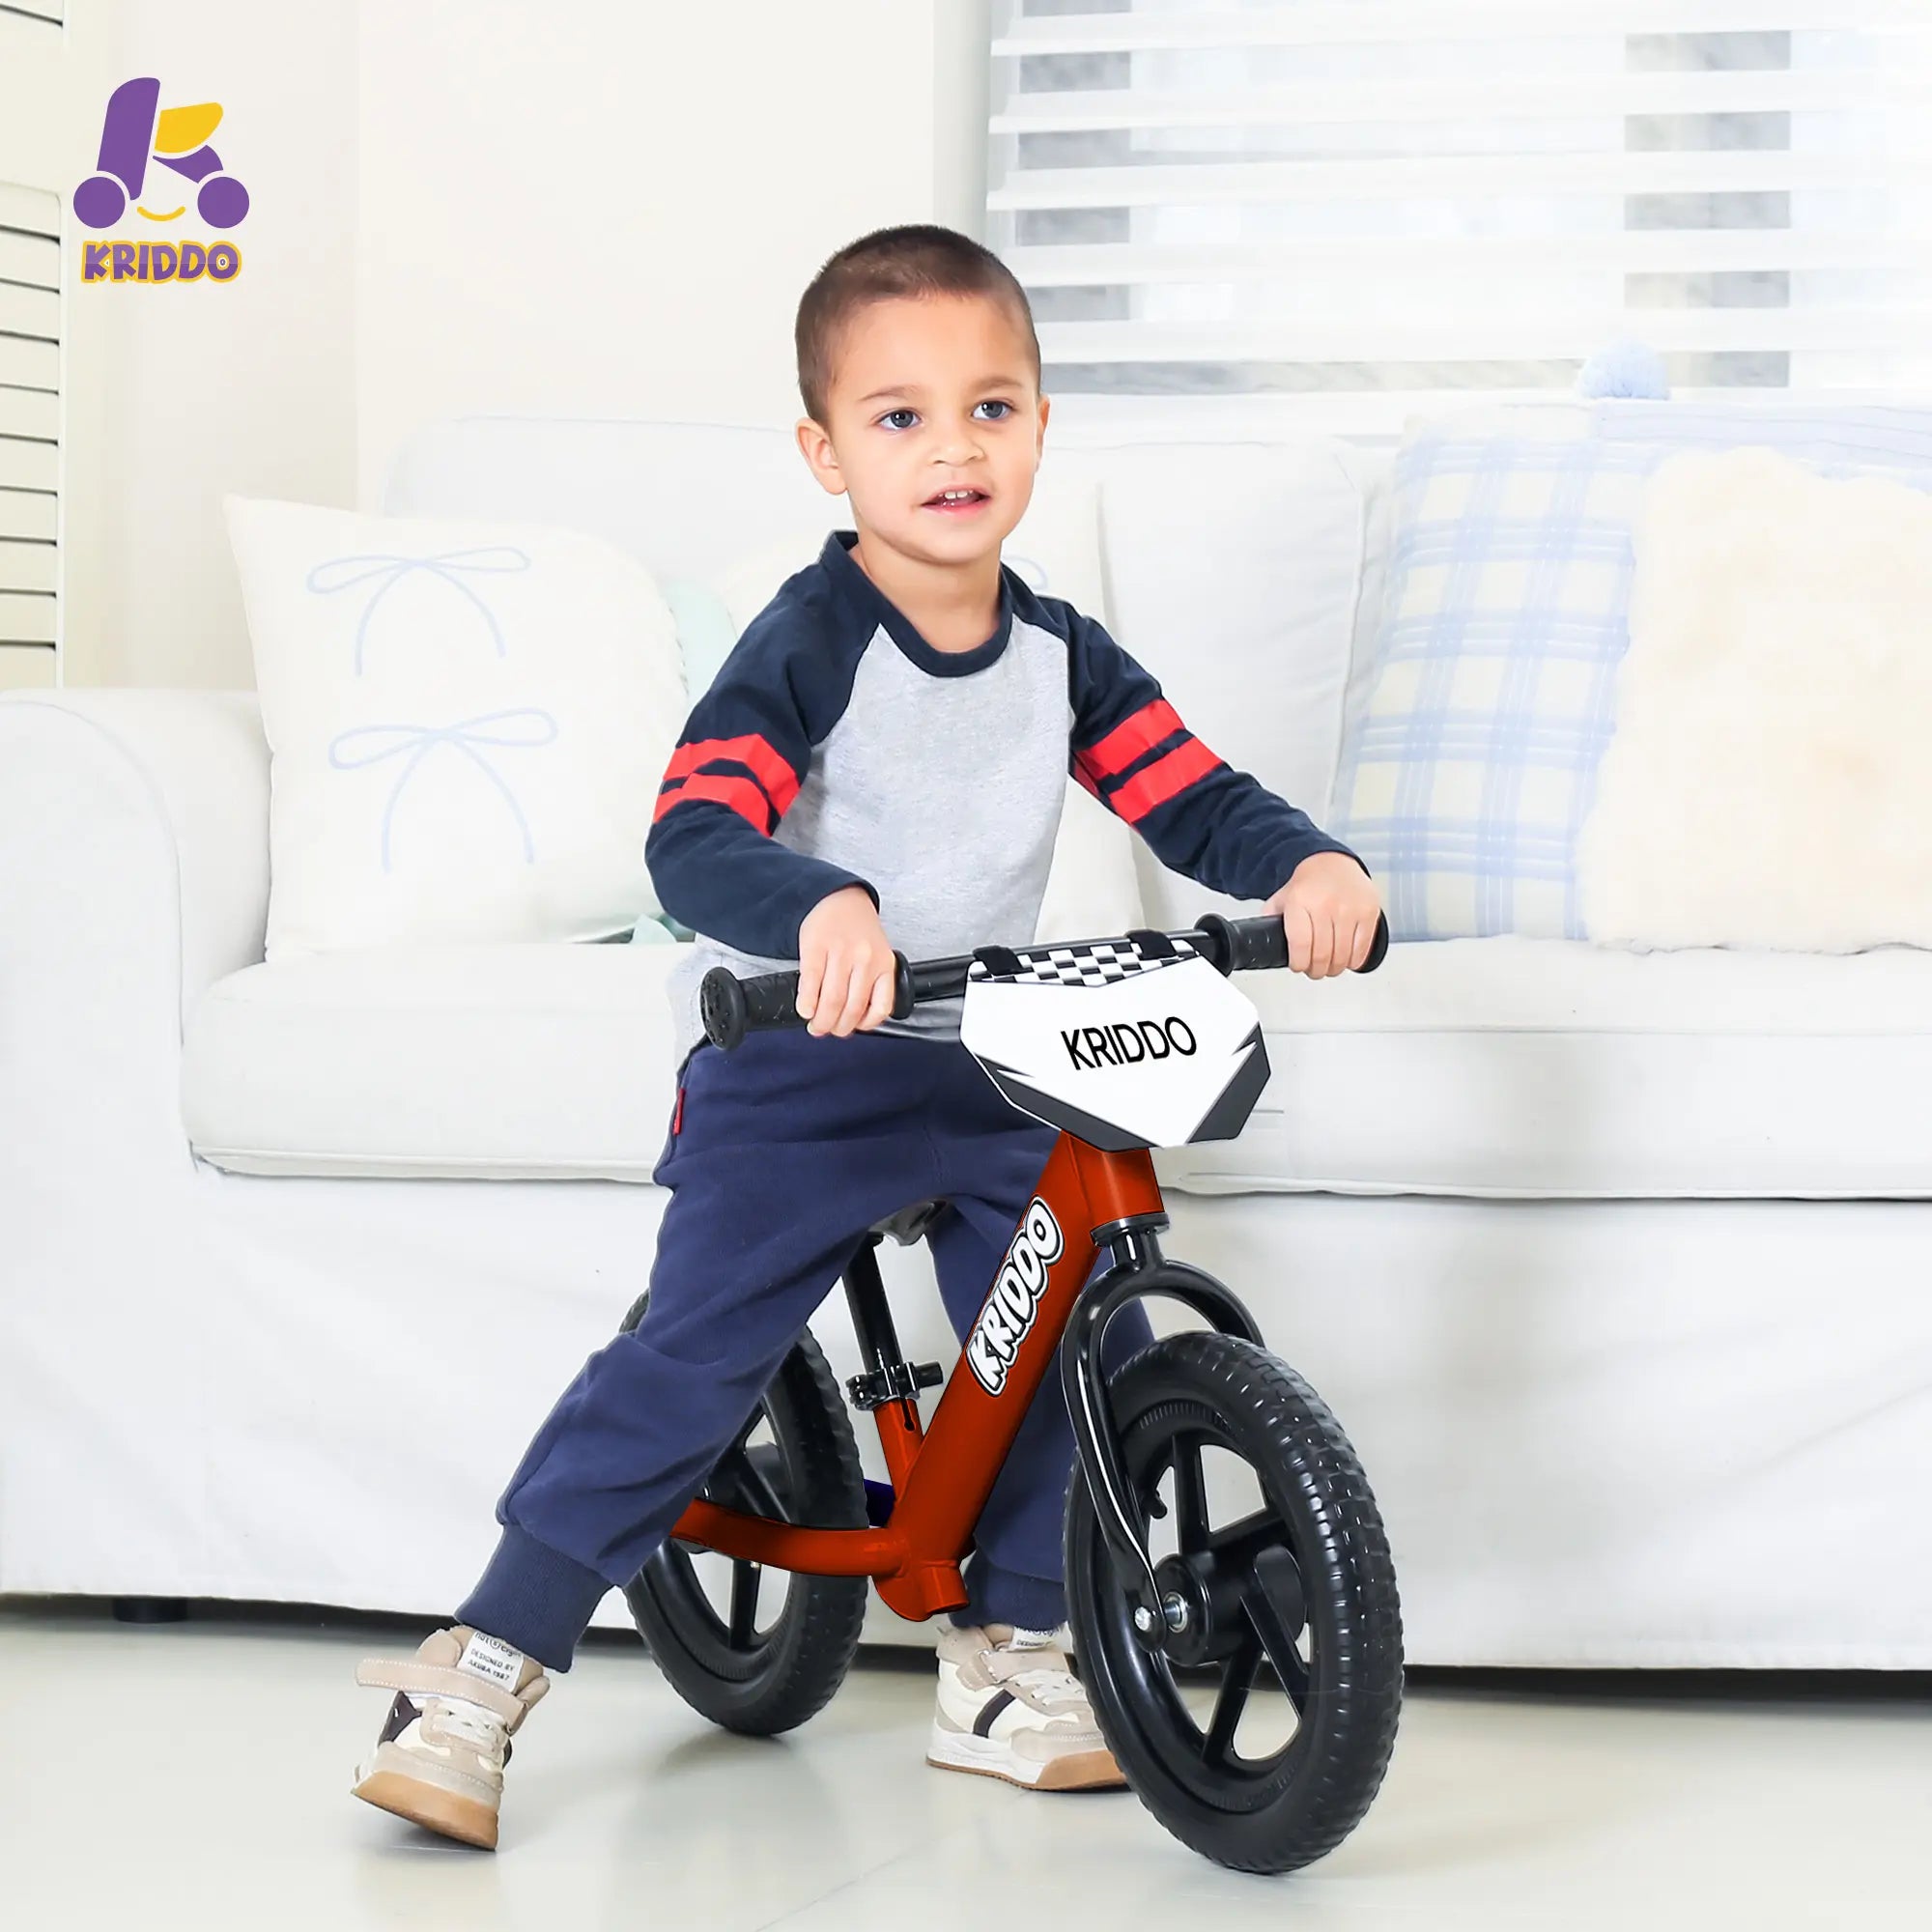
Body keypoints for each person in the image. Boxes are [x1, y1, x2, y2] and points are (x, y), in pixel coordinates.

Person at [349, 222, 1382, 1851]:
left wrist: (1307, 866)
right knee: (690, 1358)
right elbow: (694, 834)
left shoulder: (1065, 657)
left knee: (1074, 1338)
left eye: (992, 407)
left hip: (986, 1057)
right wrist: (817, 904)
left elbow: (1197, 796)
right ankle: (485, 1659)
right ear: (826, 452)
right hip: (802, 1066)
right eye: (899, 417)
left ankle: (1006, 1651)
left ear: (1042, 426)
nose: (952, 447)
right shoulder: (809, 641)